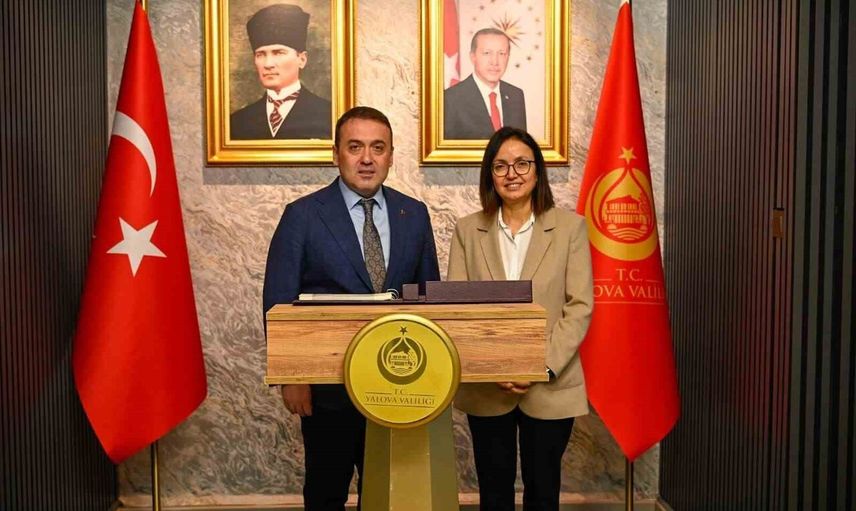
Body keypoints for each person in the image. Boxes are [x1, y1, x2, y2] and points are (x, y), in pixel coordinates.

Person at [262, 106, 441, 510]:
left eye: (378, 148)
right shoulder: (303, 216)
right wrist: (291, 376)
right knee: (326, 494)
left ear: (391, 156)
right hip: (329, 391)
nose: (367, 159)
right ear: (336, 154)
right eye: (355, 147)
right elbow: (278, 300)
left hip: (399, 385)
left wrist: (431, 378)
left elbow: (428, 298)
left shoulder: (413, 214)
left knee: (389, 496)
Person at [447, 127, 593, 510]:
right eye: (500, 166)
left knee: (543, 491)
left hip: (549, 384)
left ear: (537, 170)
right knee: (493, 492)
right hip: (487, 386)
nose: (512, 173)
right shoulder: (467, 230)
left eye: (522, 163)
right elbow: (459, 310)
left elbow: (579, 305)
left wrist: (540, 366)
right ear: (490, 175)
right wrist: (492, 365)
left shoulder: (570, 228)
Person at [231, 3, 332, 140]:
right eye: (260, 54)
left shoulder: (328, 114)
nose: (268, 64)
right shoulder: (238, 122)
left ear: (302, 59)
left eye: (278, 53)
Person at [444, 28, 527, 140]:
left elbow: (521, 145)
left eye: (502, 53)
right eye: (487, 53)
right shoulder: (450, 99)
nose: (495, 62)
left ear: (508, 57)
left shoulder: (516, 95)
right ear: (473, 57)